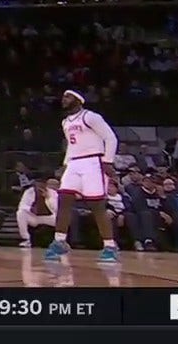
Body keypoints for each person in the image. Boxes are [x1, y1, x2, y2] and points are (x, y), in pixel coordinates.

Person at [45, 89, 119, 263]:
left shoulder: (91, 117)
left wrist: (108, 161)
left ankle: (110, 246)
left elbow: (111, 138)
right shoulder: (65, 122)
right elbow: (71, 146)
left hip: (93, 162)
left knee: (97, 205)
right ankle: (60, 242)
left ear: (79, 100)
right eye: (63, 96)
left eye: (68, 96)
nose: (64, 99)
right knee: (64, 200)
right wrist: (65, 165)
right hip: (74, 163)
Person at [16, 176, 57, 247]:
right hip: (34, 217)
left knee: (60, 218)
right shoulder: (29, 192)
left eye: (42, 184)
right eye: (37, 184)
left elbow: (56, 208)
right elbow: (22, 205)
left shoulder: (53, 193)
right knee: (20, 213)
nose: (39, 186)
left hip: (49, 217)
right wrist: (31, 209)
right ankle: (26, 239)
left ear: (45, 185)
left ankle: (59, 240)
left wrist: (48, 198)